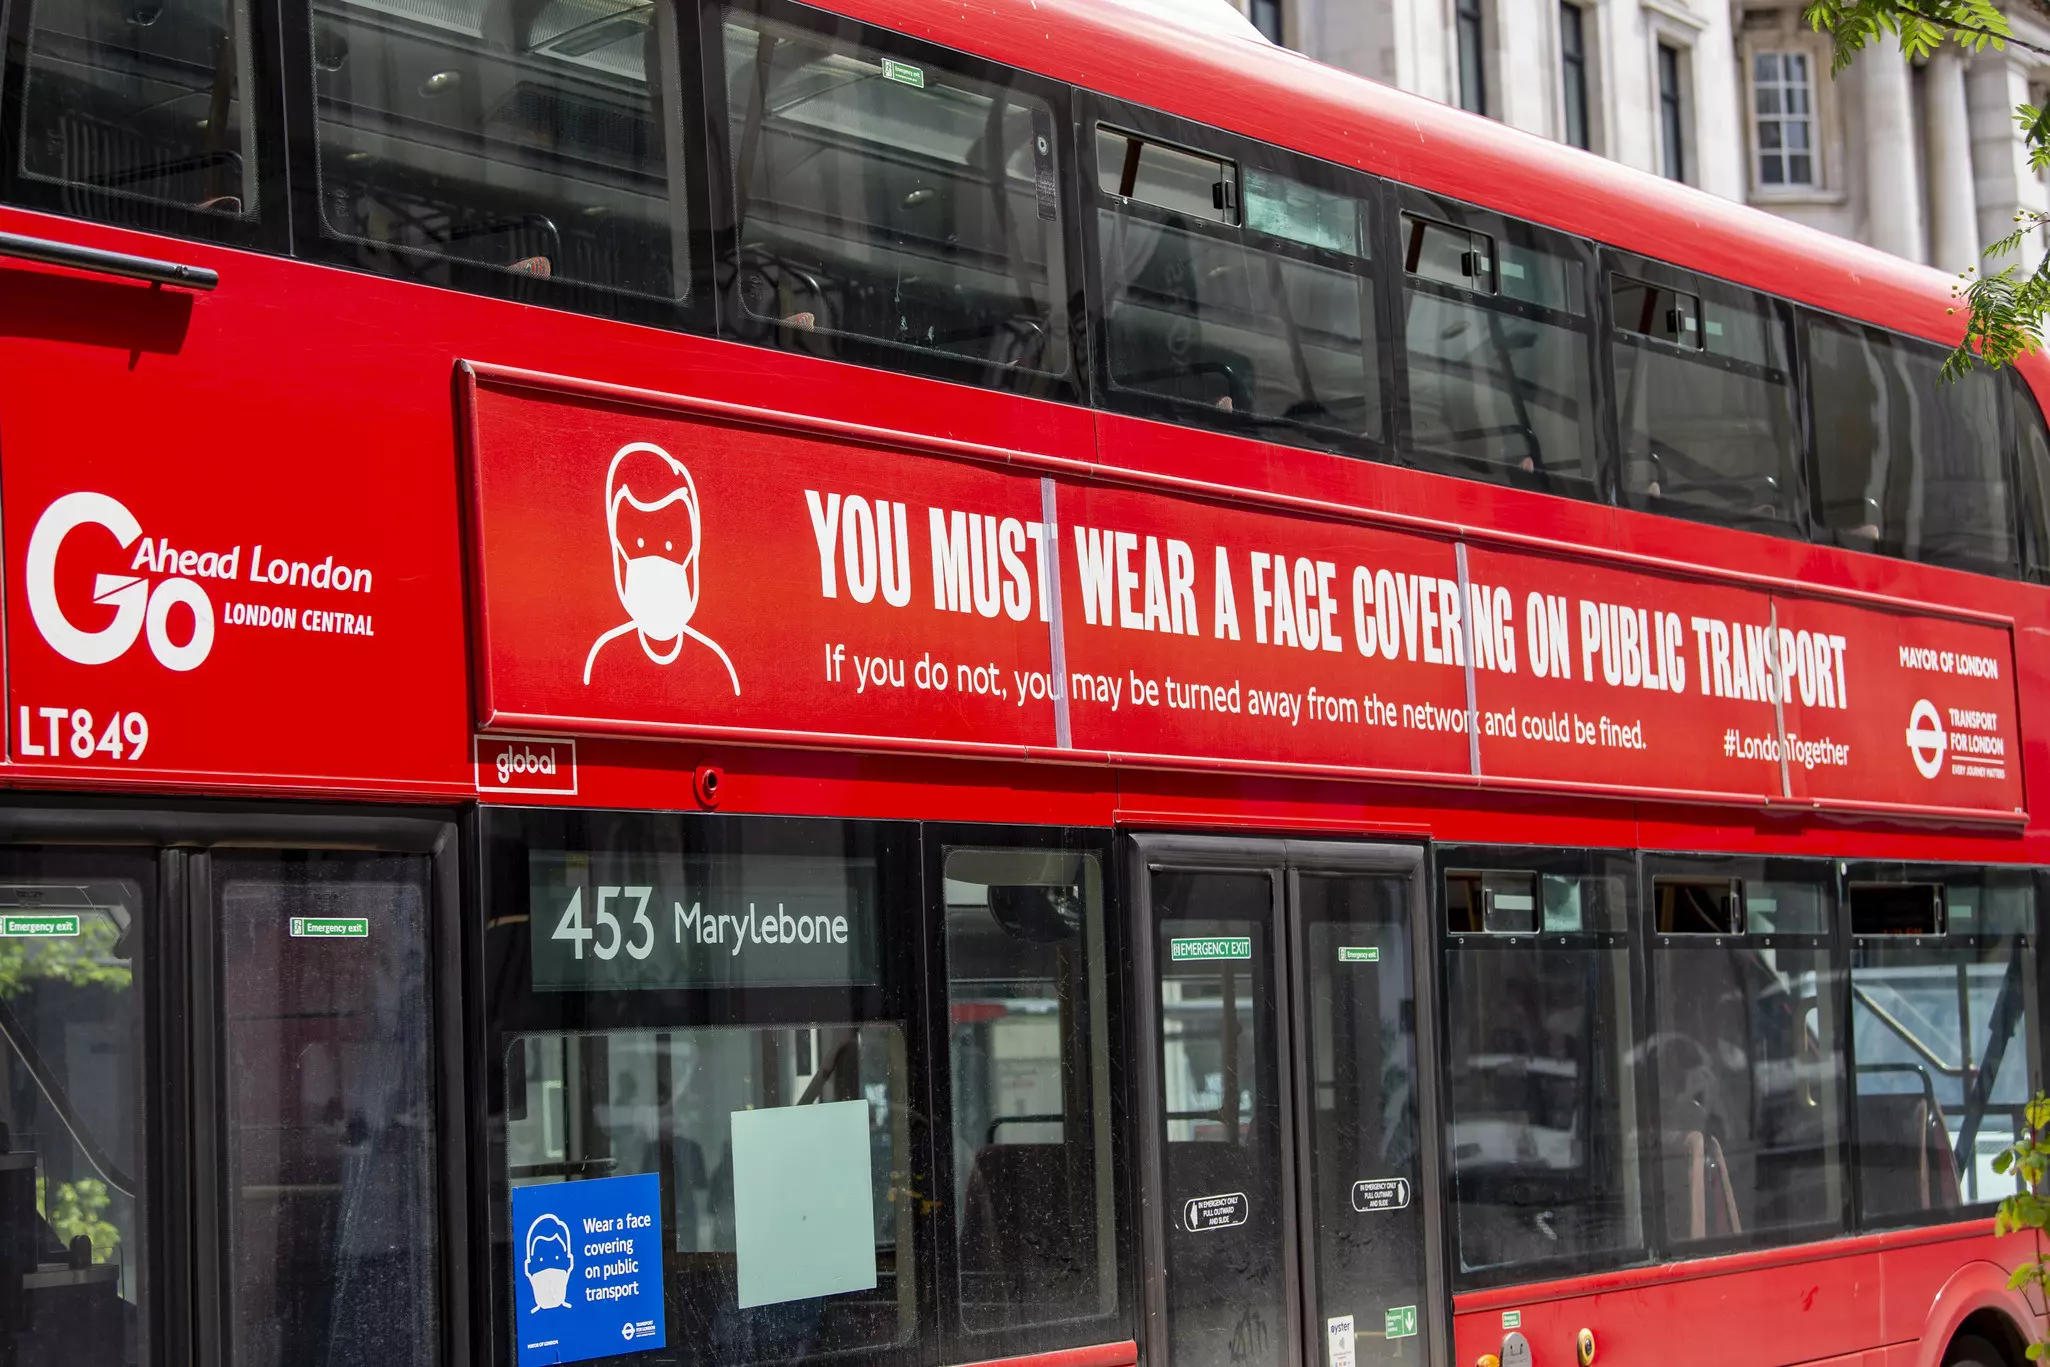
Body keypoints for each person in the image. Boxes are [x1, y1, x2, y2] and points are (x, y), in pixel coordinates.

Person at [583, 442, 740, 694]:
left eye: (670, 546)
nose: (655, 564)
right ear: (617, 550)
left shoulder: (714, 669)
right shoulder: (606, 660)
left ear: (693, 549)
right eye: (638, 545)